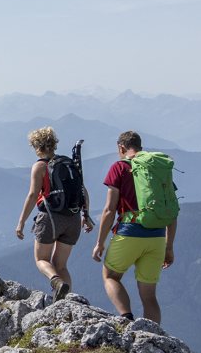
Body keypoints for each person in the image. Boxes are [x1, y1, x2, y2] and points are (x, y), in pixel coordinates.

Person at [91, 131, 179, 324]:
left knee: (111, 276)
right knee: (149, 296)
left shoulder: (119, 167)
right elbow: (170, 209)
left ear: (121, 148)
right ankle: (152, 336)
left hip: (129, 232)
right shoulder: (157, 169)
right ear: (139, 147)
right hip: (156, 237)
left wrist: (99, 242)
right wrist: (169, 246)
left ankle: (126, 319)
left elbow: (109, 209)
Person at [13, 127, 94, 299]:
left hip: (50, 218)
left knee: (42, 260)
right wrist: (86, 216)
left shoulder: (40, 166)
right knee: (61, 265)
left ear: (36, 146)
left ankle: (56, 282)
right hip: (73, 219)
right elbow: (83, 191)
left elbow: (33, 194)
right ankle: (66, 302)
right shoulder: (69, 164)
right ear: (54, 144)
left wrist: (21, 222)